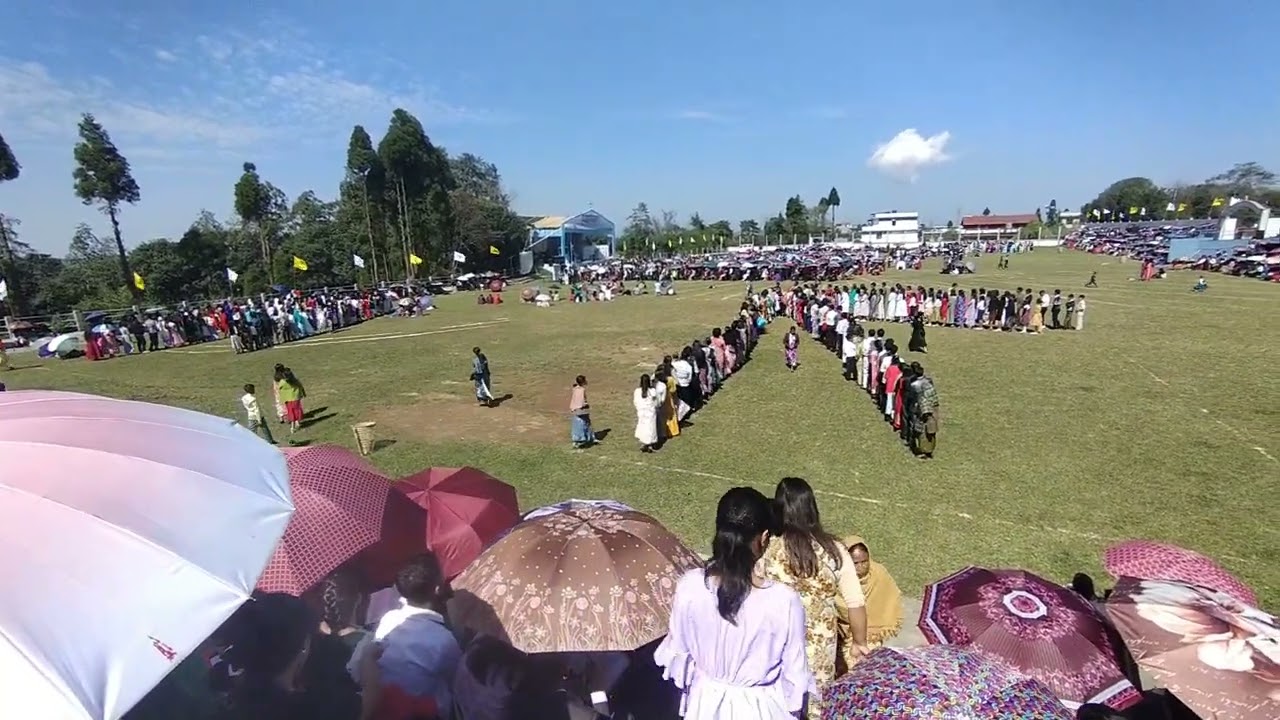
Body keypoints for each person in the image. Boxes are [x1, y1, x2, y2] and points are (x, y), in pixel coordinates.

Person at [654, 487, 813, 719]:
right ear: (764, 538)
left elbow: (679, 658)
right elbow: (795, 677)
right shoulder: (784, 600)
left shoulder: (690, 586)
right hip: (761, 710)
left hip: (703, 706)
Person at [759, 478, 867, 719]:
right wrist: (859, 642)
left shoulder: (769, 549)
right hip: (821, 644)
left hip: (778, 639)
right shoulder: (834, 550)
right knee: (816, 704)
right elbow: (856, 602)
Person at [348, 553, 461, 715]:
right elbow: (457, 682)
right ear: (437, 589)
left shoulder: (388, 620)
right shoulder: (445, 641)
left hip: (380, 709)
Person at [840, 536, 903, 655]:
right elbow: (839, 606)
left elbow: (890, 599)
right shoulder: (840, 578)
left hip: (872, 635)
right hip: (844, 634)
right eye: (855, 563)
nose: (861, 567)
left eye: (864, 561)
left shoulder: (879, 574)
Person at [909, 362, 939, 459]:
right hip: (933, 406)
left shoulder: (915, 385)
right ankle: (930, 449)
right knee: (931, 430)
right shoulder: (929, 381)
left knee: (921, 431)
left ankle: (924, 450)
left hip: (922, 408)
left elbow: (914, 398)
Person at [633, 374, 661, 453]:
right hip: (650, 412)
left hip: (642, 411)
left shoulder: (637, 391)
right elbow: (656, 402)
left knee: (643, 426)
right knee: (651, 428)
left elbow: (635, 401)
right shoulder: (652, 391)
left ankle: (644, 443)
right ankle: (650, 444)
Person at [275, 367, 306, 435]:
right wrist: (303, 393)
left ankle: (292, 427)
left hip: (287, 400)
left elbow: (279, 388)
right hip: (296, 398)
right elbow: (301, 387)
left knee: (291, 411)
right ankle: (297, 422)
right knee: (297, 410)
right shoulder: (296, 381)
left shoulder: (282, 382)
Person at [570, 375, 596, 449]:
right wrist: (586, 405)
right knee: (585, 424)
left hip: (575, 410)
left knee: (577, 424)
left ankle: (577, 440)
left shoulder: (575, 389)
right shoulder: (582, 390)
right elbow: (581, 401)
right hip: (581, 410)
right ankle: (585, 439)